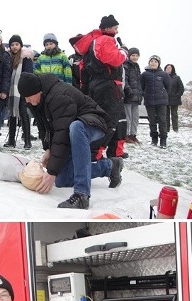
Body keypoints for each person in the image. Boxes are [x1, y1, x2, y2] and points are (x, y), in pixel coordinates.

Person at [17, 72, 124, 209]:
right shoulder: (37, 99)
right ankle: (109, 167)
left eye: (28, 97)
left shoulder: (59, 96)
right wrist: (49, 149)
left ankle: (81, 194)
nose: (27, 101)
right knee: (62, 179)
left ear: (38, 91)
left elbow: (62, 132)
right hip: (72, 129)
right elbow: (46, 128)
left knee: (77, 127)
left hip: (95, 123)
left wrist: (51, 172)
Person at [72, 15, 128, 159]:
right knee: (109, 121)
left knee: (104, 119)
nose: (117, 31)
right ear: (108, 28)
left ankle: (105, 153)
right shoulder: (105, 40)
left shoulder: (92, 43)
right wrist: (123, 52)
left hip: (96, 86)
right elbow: (114, 59)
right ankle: (96, 154)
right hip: (108, 87)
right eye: (115, 28)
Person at [4, 35, 34, 148]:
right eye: (12, 45)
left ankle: (27, 140)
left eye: (16, 44)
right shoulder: (8, 57)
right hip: (12, 91)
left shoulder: (26, 58)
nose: (14, 47)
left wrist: (24, 88)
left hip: (22, 90)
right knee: (11, 114)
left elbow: (28, 74)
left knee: (23, 114)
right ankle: (11, 140)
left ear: (20, 45)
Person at [141, 55, 173, 148]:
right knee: (152, 121)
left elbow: (168, 87)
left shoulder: (164, 74)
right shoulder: (144, 74)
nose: (153, 63)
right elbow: (141, 86)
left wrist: (162, 94)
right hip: (149, 101)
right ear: (149, 63)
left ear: (158, 63)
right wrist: (145, 94)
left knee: (162, 121)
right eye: (151, 61)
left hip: (161, 102)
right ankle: (154, 140)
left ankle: (163, 141)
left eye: (155, 61)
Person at [123, 48, 143, 143]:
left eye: (136, 55)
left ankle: (133, 134)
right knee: (128, 117)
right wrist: (129, 91)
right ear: (129, 56)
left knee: (135, 117)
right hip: (128, 96)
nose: (134, 57)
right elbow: (125, 80)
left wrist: (140, 93)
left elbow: (139, 82)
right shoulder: (126, 65)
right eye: (133, 55)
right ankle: (126, 134)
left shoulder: (137, 66)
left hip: (137, 96)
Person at [164, 63, 185, 133]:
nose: (168, 69)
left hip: (175, 99)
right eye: (167, 68)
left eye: (169, 68)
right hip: (165, 99)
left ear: (172, 69)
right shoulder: (163, 77)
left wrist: (177, 95)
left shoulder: (177, 78)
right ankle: (167, 129)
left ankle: (175, 129)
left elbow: (181, 88)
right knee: (166, 115)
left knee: (174, 114)